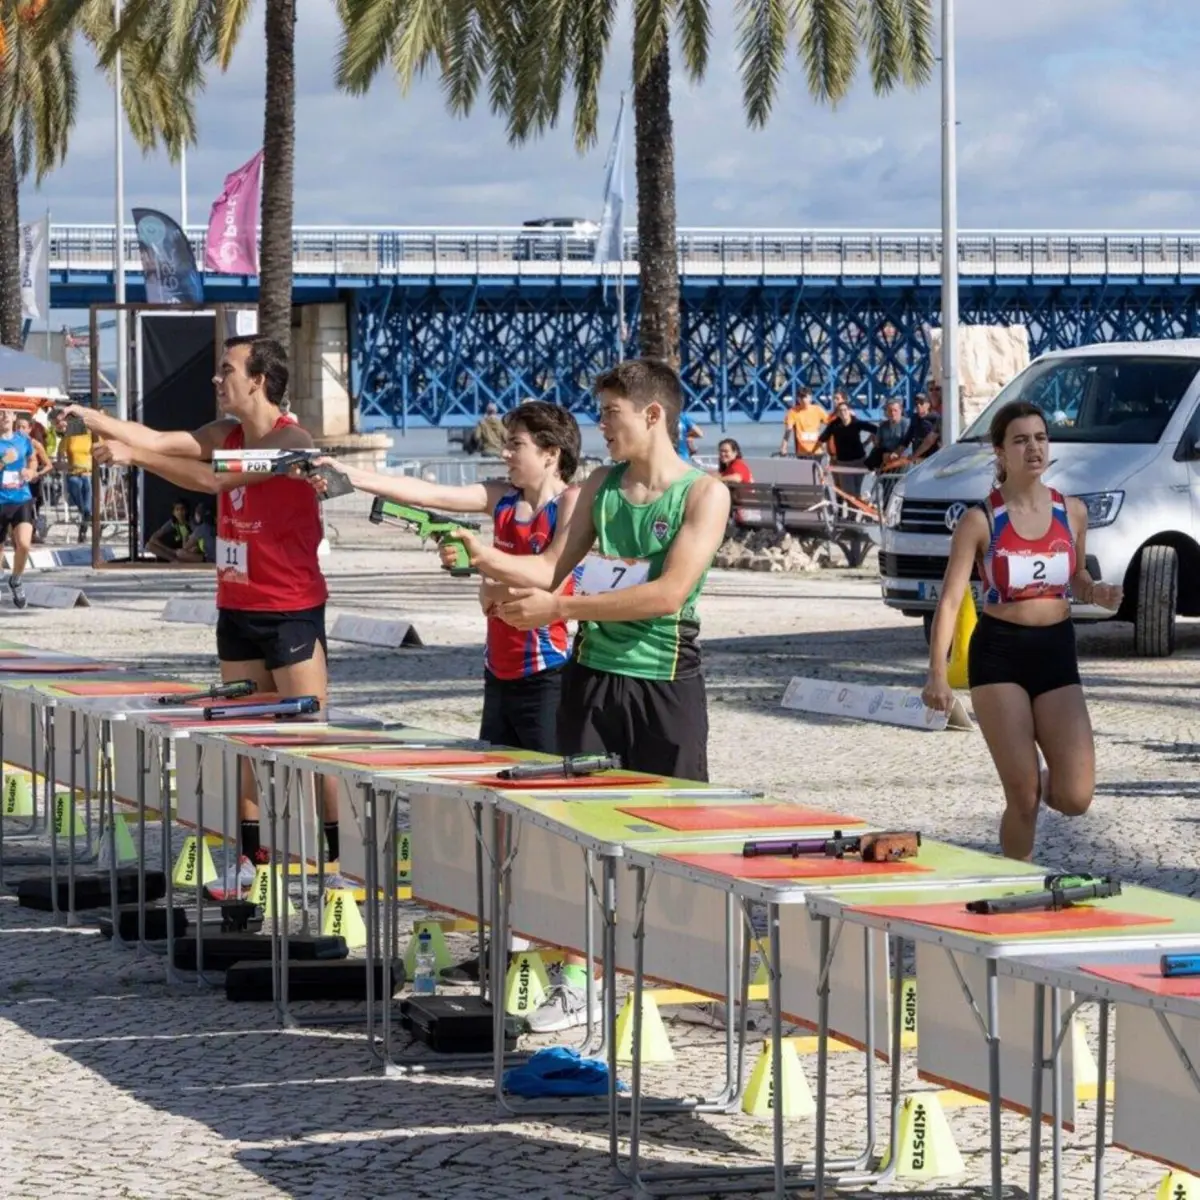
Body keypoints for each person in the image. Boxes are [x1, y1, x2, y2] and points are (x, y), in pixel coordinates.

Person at [449, 359, 731, 1034]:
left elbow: (666, 595)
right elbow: (549, 568)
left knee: (673, 834)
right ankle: (578, 978)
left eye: (610, 414)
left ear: (653, 414)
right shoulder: (602, 486)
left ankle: (672, 969)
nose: (600, 427)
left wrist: (560, 606)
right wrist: (481, 557)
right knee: (580, 836)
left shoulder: (704, 494)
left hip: (665, 680)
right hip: (591, 678)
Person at [61, 336, 345, 899]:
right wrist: (97, 418)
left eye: (227, 370)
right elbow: (164, 439)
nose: (218, 380)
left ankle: (338, 863)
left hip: (290, 610)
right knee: (243, 741)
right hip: (237, 606)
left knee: (311, 741)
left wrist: (133, 456)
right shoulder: (226, 432)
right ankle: (249, 861)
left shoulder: (292, 439)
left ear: (258, 380)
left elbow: (217, 478)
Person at [314, 401, 582, 752]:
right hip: (497, 671)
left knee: (547, 788)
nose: (504, 453)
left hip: (546, 674)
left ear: (550, 453)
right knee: (496, 785)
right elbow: (428, 493)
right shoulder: (500, 498)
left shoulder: (570, 502)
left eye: (516, 445)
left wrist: (486, 576)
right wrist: (346, 473)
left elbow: (550, 579)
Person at [921, 401, 1122, 861]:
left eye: (1040, 438)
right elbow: (950, 600)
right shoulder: (980, 520)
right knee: (1024, 797)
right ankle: (1015, 885)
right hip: (999, 656)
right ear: (1000, 453)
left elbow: (1075, 581)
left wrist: (1097, 592)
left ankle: (1038, 781)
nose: (1034, 447)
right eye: (1021, 440)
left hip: (1055, 652)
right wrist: (936, 673)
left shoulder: (1071, 512)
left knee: (1075, 797)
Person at [0, 405, 38, 609]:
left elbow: (33, 459)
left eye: (8, 412)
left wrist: (31, 472)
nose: (5, 416)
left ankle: (16, 579)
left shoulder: (23, 439)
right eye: (0, 412)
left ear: (14, 416)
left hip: (21, 497)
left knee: (24, 544)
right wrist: (4, 461)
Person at [818, 393, 876, 500]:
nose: (843, 412)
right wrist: (826, 455)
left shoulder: (856, 423)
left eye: (845, 410)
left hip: (860, 461)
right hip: (843, 463)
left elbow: (876, 430)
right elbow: (822, 439)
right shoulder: (834, 424)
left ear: (849, 411)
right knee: (849, 492)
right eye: (840, 411)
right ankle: (851, 513)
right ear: (838, 413)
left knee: (857, 490)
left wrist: (869, 444)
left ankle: (854, 514)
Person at [53, 409, 95, 544]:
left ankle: (84, 522)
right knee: (75, 484)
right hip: (73, 473)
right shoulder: (68, 438)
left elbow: (100, 450)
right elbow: (58, 461)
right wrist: (67, 466)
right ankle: (86, 517)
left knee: (87, 489)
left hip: (89, 473)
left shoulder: (90, 435)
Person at [778, 388, 828, 456]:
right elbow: (788, 430)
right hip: (801, 451)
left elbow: (830, 424)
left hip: (817, 450)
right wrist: (784, 447)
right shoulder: (793, 411)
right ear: (798, 399)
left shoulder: (818, 410)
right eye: (801, 398)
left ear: (810, 398)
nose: (804, 400)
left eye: (806, 397)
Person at [146, 498, 193, 562]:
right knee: (148, 546)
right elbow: (153, 538)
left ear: (187, 511)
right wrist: (169, 550)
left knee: (183, 552)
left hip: (185, 552)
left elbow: (187, 545)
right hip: (173, 552)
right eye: (177, 509)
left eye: (182, 509)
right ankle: (174, 561)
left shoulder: (191, 523)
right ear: (173, 512)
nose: (180, 512)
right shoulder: (172, 523)